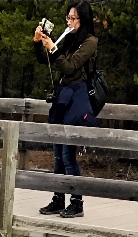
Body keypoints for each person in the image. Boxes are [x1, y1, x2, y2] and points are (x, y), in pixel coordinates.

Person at [33, 3, 99, 217]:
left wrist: (53, 47)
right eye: (68, 18)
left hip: (77, 95)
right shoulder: (68, 37)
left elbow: (70, 66)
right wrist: (38, 42)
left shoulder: (90, 42)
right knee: (58, 155)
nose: (69, 22)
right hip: (63, 95)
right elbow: (46, 60)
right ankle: (58, 198)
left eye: (73, 18)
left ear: (83, 20)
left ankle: (76, 201)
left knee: (68, 153)